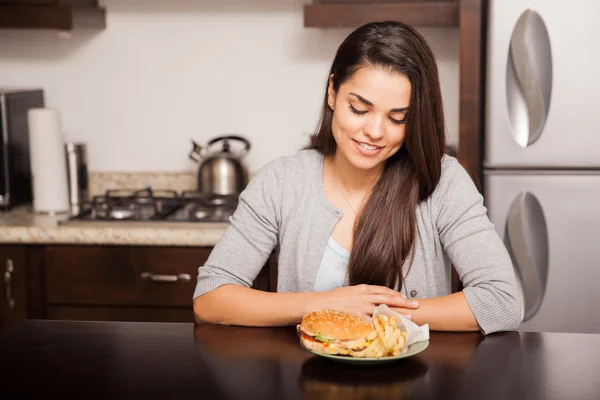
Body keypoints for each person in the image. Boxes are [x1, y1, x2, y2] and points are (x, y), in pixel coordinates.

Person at [192, 21, 522, 334]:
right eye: (360, 110)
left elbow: (502, 301)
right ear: (333, 93)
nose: (375, 132)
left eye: (397, 118)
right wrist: (325, 304)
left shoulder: (442, 180)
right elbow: (211, 298)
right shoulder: (282, 181)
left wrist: (378, 313)